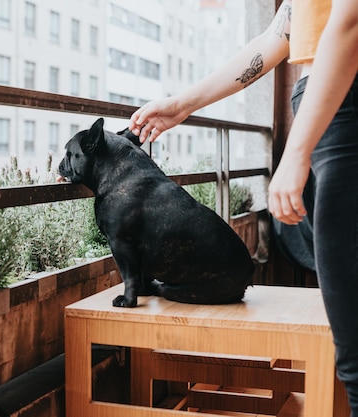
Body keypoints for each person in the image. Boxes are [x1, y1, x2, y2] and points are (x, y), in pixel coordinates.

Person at [128, 0, 358, 414]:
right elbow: (276, 37)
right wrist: (184, 103)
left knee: (355, 355)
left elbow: (349, 21)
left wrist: (296, 151)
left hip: (343, 108)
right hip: (332, 109)